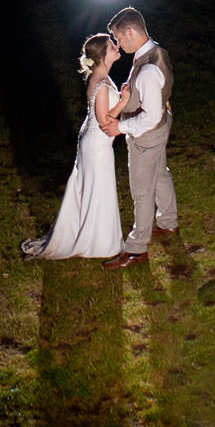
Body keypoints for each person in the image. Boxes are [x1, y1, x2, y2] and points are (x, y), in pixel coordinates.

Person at [21, 34, 138, 261]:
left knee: (94, 189)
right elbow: (105, 122)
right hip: (97, 145)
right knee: (98, 189)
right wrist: (123, 102)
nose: (116, 47)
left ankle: (97, 238)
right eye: (111, 46)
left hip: (92, 141)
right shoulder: (101, 82)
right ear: (103, 55)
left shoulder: (100, 77)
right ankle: (99, 244)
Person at [103, 7, 177, 267]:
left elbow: (149, 117)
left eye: (119, 38)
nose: (118, 45)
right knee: (160, 173)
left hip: (147, 136)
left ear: (131, 32)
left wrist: (119, 128)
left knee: (142, 192)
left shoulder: (147, 70)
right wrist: (131, 91)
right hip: (161, 127)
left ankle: (136, 248)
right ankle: (168, 223)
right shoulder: (156, 51)